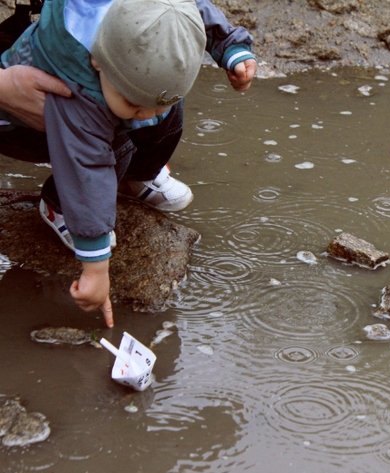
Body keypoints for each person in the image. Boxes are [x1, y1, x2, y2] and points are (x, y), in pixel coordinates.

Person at [0, 0, 257, 328]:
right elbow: (86, 168)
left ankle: (137, 176)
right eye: (135, 102)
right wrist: (95, 267)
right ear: (98, 60)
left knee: (166, 114)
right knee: (112, 147)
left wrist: (231, 47)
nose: (146, 115)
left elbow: (184, 13)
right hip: (25, 121)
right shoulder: (80, 89)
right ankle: (58, 206)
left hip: (108, 91)